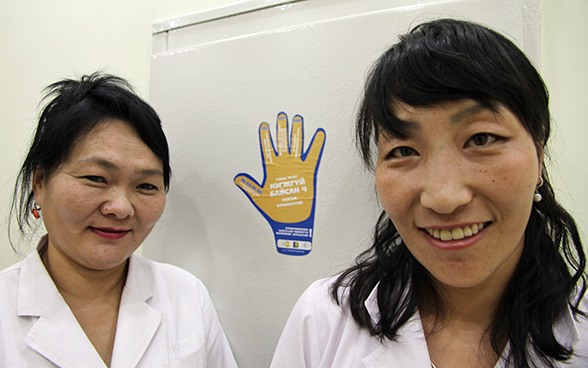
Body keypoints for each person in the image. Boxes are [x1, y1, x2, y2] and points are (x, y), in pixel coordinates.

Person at [270, 19, 588, 368]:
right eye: (404, 151)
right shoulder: (324, 321)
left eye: (481, 139)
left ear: (539, 157)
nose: (443, 197)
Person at [0, 73, 238, 368]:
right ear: (39, 183)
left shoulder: (186, 294)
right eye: (96, 178)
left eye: (146, 186)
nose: (122, 208)